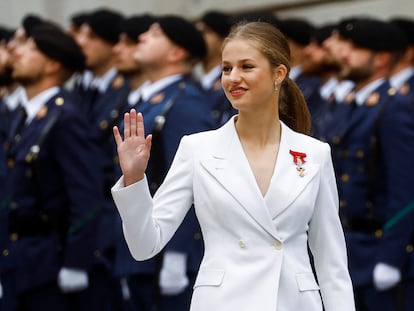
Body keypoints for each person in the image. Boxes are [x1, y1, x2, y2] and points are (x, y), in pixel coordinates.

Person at [111, 21, 355, 311]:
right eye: (227, 68)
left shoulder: (314, 153)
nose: (233, 78)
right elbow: (144, 245)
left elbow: (332, 265)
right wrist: (135, 178)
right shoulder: (197, 148)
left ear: (279, 74)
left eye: (247, 67)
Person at [3, 23, 106, 310]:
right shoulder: (26, 117)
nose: (18, 53)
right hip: (20, 259)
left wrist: (76, 262)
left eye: (30, 49)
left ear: (52, 64)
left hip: (49, 264)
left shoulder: (65, 118)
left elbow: (86, 195)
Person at [327, 17, 414, 310]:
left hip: (377, 252)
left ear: (382, 58)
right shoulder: (352, 107)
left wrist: (391, 257)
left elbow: (406, 191)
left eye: (355, 48)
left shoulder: (394, 108)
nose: (344, 54)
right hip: (347, 251)